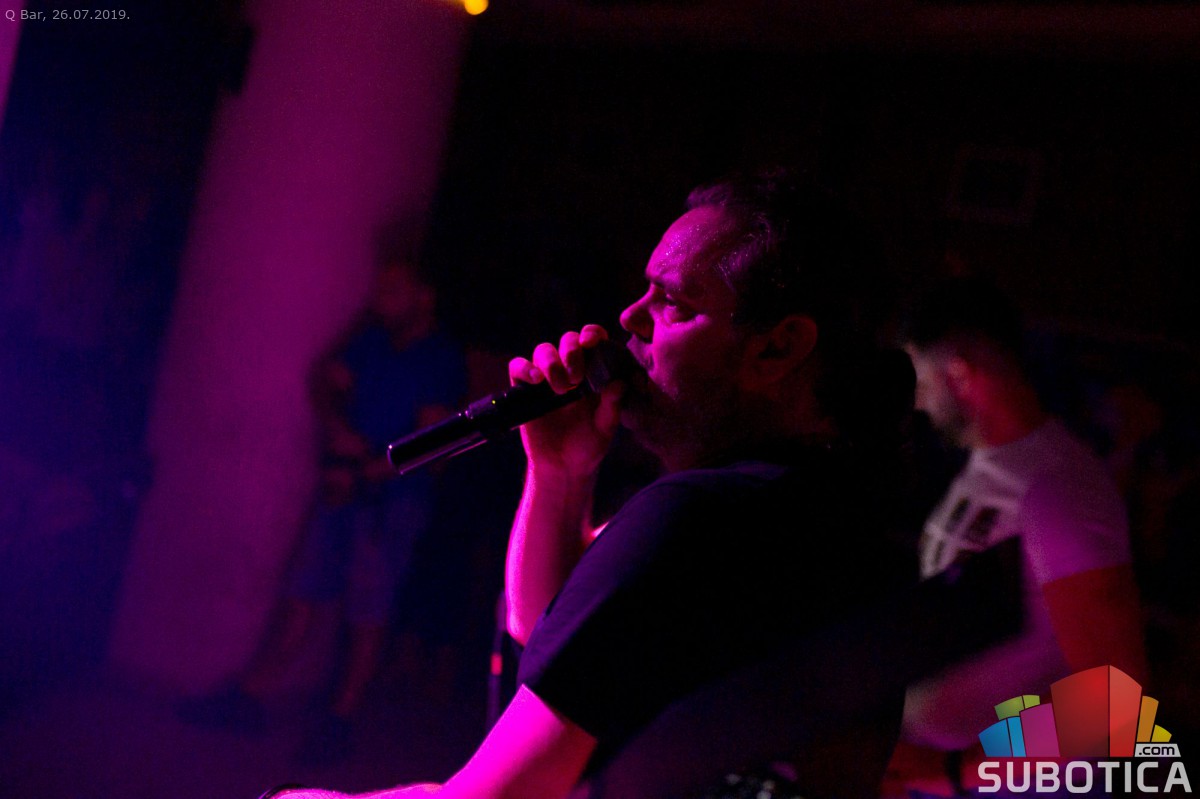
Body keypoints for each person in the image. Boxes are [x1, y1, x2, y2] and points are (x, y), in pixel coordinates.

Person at [266, 168, 915, 799]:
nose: (630, 318)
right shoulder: (844, 519)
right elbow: (553, 632)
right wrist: (560, 475)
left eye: (673, 302)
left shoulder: (697, 516)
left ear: (777, 347)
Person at [181, 253, 465, 763]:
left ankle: (341, 718)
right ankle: (251, 694)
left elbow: (429, 446)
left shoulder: (439, 359)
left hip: (390, 505)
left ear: (424, 297)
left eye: (394, 289)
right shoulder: (370, 341)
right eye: (380, 288)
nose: (381, 298)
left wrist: (362, 469)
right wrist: (337, 434)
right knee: (303, 591)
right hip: (342, 491)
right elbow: (324, 382)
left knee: (368, 611)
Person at [886, 277, 1148, 797]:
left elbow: (1115, 705)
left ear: (959, 372)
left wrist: (951, 771)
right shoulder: (995, 467)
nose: (917, 402)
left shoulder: (1056, 488)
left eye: (919, 378)